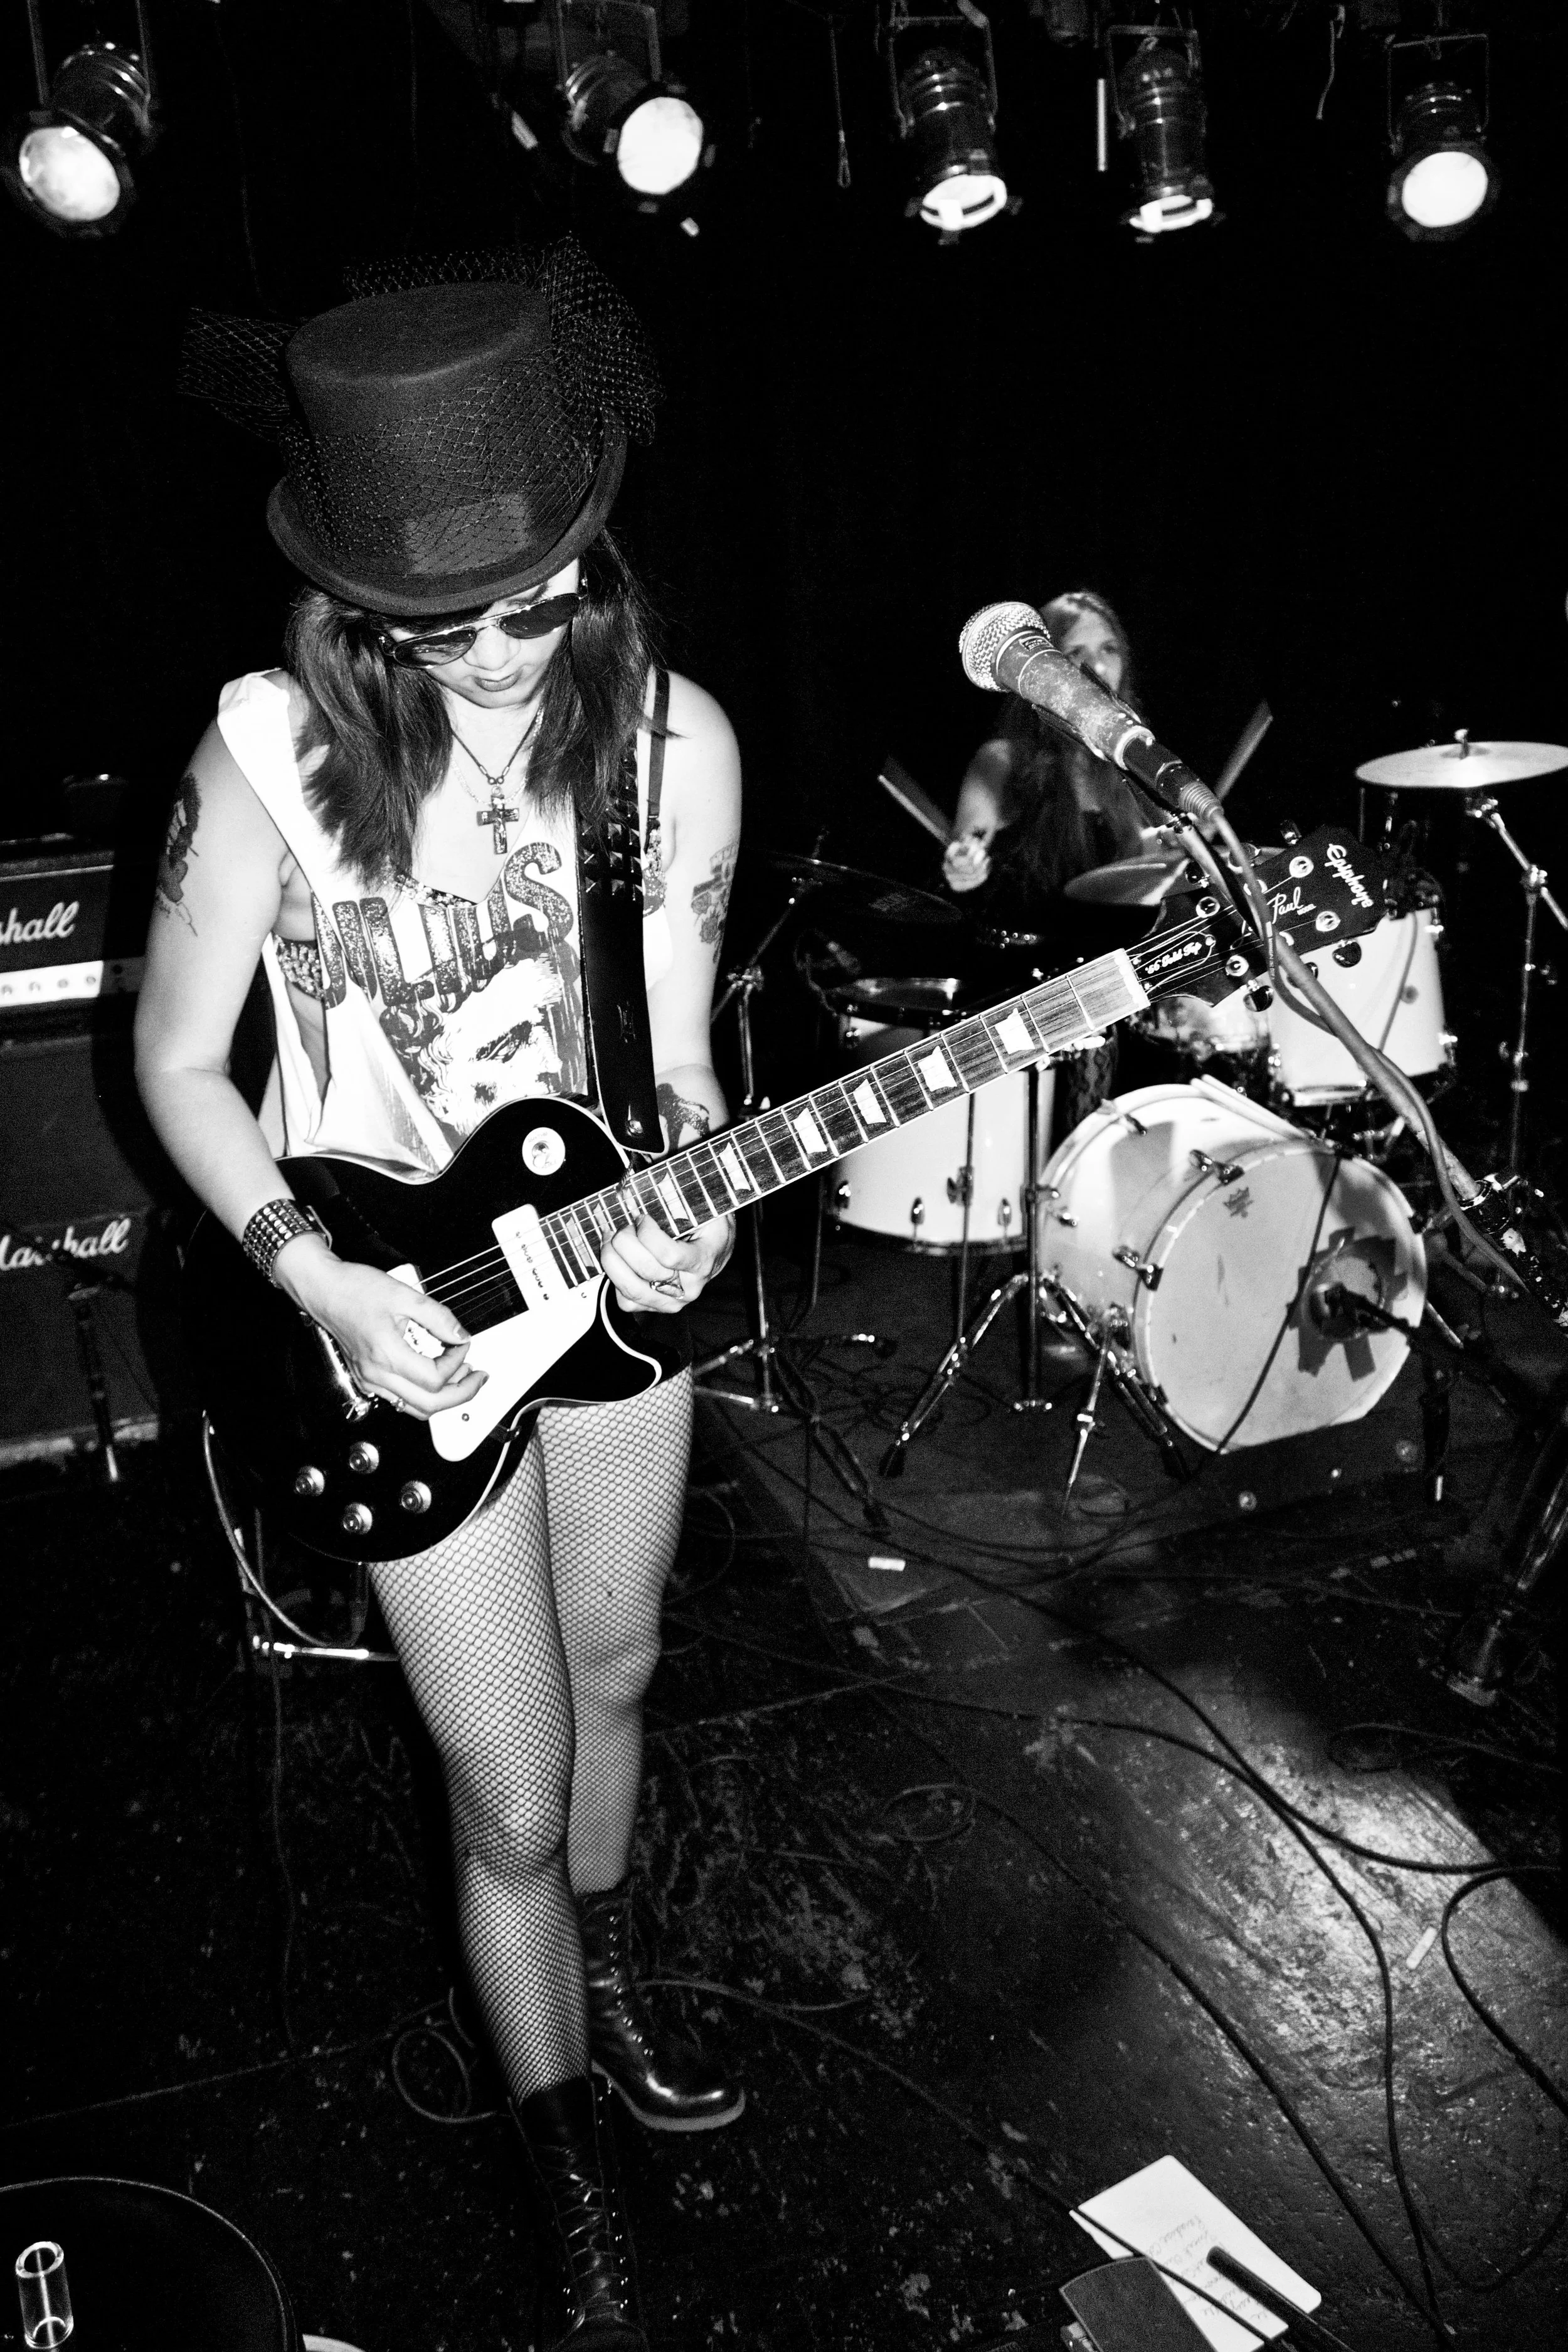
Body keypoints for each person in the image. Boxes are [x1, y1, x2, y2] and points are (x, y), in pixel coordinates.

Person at [136, 249, 741, 2352]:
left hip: (604, 1274)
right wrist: (309, 1275)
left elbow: (674, 1069)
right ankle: (555, 2135)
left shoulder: (673, 747)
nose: (495, 660)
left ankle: (601, 1952)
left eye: (538, 601)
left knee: (625, 1658)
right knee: (499, 1776)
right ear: (343, 604)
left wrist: (699, 1213)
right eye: (431, 622)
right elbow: (176, 1066)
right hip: (394, 1312)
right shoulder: (272, 755)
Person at [942, 588, 1158, 1132]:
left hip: (1107, 997)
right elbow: (965, 856)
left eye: (1109, 649)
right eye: (1075, 653)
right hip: (1018, 996)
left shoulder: (1130, 773)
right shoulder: (1004, 763)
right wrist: (964, 865)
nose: (1096, 665)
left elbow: (1139, 887)